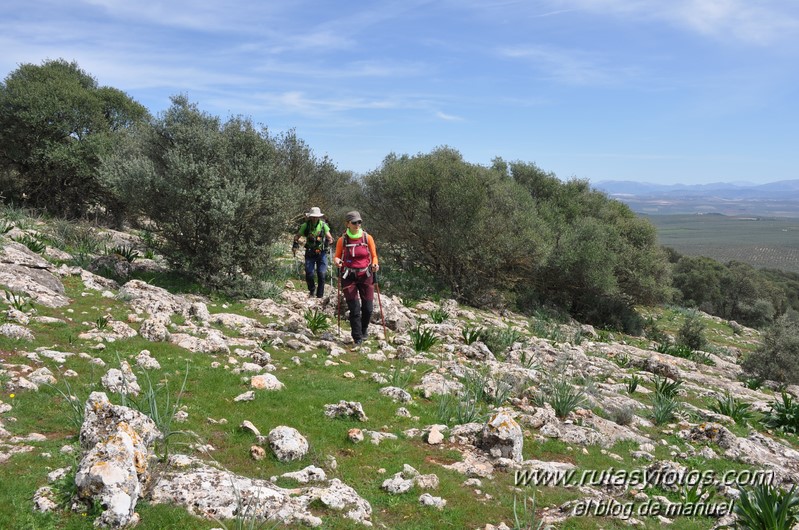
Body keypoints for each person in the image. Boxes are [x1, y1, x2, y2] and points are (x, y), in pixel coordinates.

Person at [334, 211, 379, 344]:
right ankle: (357, 337)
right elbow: (337, 256)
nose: (357, 224)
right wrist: (336, 261)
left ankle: (364, 329)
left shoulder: (367, 238)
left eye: (359, 222)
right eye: (354, 222)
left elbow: (374, 255)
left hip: (366, 275)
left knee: (368, 308)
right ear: (347, 224)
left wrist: (375, 264)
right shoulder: (342, 240)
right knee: (354, 309)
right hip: (348, 276)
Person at [293, 207, 334, 298]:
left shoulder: (323, 226)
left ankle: (320, 295)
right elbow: (297, 236)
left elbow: (329, 237)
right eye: (313, 217)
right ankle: (312, 290)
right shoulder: (305, 226)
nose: (314, 218)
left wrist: (330, 241)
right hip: (310, 252)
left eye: (316, 217)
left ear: (319, 217)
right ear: (310, 217)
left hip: (321, 252)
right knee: (309, 273)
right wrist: (295, 244)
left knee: (321, 274)